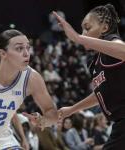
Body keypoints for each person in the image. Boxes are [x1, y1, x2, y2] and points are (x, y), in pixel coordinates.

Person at [53, 3, 125, 149]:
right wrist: (72, 109)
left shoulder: (112, 41)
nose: (83, 32)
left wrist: (78, 38)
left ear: (104, 28)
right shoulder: (97, 61)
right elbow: (100, 94)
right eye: (81, 30)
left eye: (87, 28)